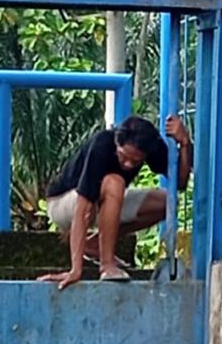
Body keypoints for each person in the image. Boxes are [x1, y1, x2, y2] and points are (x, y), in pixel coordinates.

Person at [40, 113, 193, 290]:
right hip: (64, 202)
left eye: (135, 161)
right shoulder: (102, 144)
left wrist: (184, 143)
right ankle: (107, 265)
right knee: (115, 182)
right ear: (117, 144)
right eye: (123, 156)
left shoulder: (153, 146)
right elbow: (84, 210)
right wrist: (76, 270)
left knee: (166, 203)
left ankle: (95, 244)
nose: (127, 164)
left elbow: (180, 183)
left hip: (106, 201)